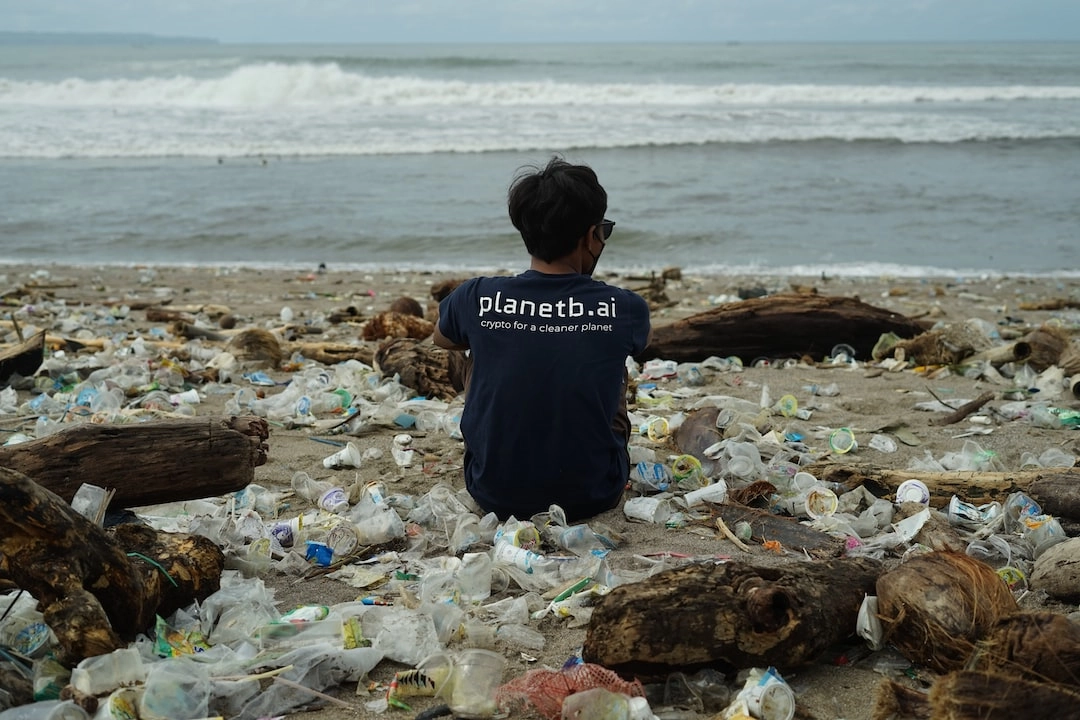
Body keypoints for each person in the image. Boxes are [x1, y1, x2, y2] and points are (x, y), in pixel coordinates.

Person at [434, 157, 651, 521]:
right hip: (594, 492)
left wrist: (510, 329)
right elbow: (640, 344)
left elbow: (442, 339)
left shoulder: (476, 297)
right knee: (615, 366)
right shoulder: (623, 307)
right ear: (590, 236)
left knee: (479, 350)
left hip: (492, 491)